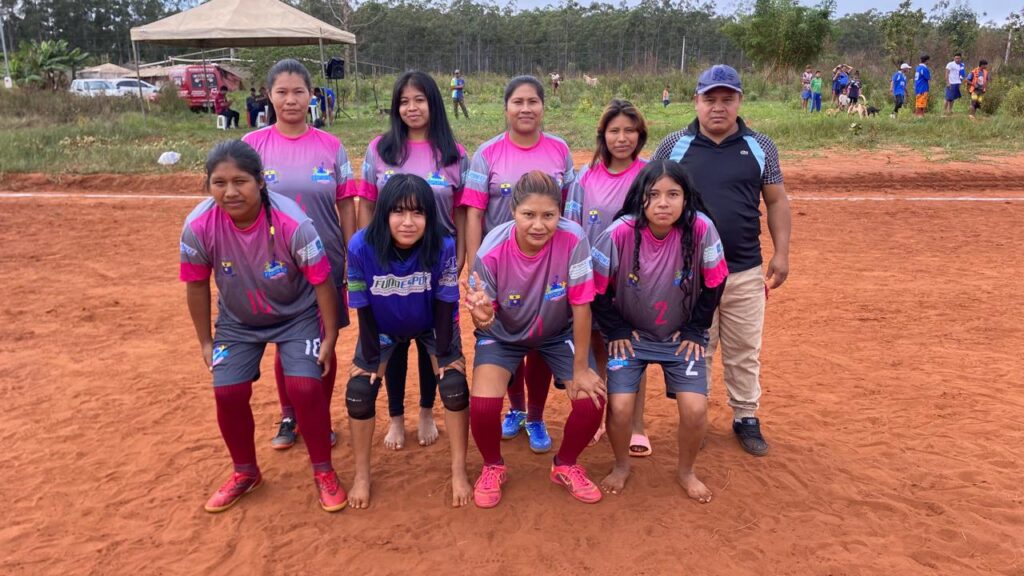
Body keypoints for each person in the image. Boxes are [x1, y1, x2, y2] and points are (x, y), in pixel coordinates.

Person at [181, 140, 347, 513]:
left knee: (304, 386)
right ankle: (245, 472)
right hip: (238, 322)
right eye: (219, 183)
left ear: (260, 182)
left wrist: (330, 335)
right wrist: (206, 340)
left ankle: (323, 471)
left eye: (240, 181)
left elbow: (322, 282)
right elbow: (195, 285)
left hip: (297, 316)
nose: (230, 192)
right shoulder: (197, 226)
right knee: (227, 392)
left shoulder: (293, 224)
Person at [651, 64, 791, 456]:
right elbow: (651, 201)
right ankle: (696, 418)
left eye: (727, 99)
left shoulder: (761, 146)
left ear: (739, 102)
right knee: (698, 346)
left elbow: (777, 200)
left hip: (745, 270)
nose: (718, 107)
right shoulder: (672, 146)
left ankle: (745, 416)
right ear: (695, 101)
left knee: (744, 348)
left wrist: (781, 253)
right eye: (709, 99)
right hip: (690, 274)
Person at [463, 171, 605, 508]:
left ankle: (566, 464)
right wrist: (482, 315)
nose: (538, 225)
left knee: (592, 400)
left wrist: (582, 367)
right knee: (483, 406)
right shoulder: (491, 249)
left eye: (548, 215)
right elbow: (483, 314)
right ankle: (493, 466)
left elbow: (582, 304)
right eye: (529, 215)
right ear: (513, 211)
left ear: (561, 212)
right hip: (503, 335)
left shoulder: (574, 238)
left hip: (557, 332)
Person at [592, 160, 728, 502]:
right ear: (640, 198)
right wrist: (616, 329)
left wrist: (696, 329)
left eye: (673, 194)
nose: (663, 203)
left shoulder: (701, 229)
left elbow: (715, 281)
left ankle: (686, 471)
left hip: (679, 336)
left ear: (686, 198)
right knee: (620, 406)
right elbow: (594, 288)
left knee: (696, 409)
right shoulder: (620, 232)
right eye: (653, 195)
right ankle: (622, 465)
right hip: (632, 337)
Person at [242, 59, 357, 451]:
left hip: (326, 262)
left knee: (323, 339)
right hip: (271, 262)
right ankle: (290, 414)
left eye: (298, 92)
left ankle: (318, 419)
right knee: (286, 339)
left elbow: (345, 205)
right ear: (269, 95)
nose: (290, 100)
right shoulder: (252, 147)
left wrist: (350, 251)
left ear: (312, 95)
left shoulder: (332, 146)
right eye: (281, 92)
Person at [460, 75, 576, 454]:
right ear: (506, 107)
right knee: (507, 336)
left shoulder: (560, 149)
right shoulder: (488, 153)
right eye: (518, 102)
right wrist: (475, 268)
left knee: (542, 340)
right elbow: (475, 213)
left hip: (549, 264)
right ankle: (517, 409)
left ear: (544, 106)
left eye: (533, 102)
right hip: (502, 266)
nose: (526, 109)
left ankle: (538, 416)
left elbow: (569, 209)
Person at [355, 70, 469, 450]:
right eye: (404, 101)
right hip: (387, 264)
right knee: (394, 343)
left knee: (431, 340)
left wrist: (462, 255)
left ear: (433, 103)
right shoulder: (380, 150)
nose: (411, 107)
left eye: (419, 99)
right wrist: (368, 256)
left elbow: (463, 211)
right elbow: (368, 206)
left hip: (437, 263)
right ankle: (396, 418)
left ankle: (424, 411)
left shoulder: (454, 153)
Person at [345, 174, 471, 508]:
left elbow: (446, 301)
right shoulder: (361, 246)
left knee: (455, 385)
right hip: (383, 324)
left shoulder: (442, 244)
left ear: (429, 217)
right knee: (359, 393)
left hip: (432, 322)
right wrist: (373, 359)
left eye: (418, 213)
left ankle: (458, 469)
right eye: (399, 212)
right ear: (384, 213)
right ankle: (364, 472)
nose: (408, 222)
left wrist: (444, 355)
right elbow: (362, 306)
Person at [565, 99, 649, 453]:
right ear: (603, 135)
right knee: (599, 348)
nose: (622, 137)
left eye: (630, 130)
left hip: (634, 279)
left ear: (640, 135)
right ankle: (604, 419)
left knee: (631, 351)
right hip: (592, 279)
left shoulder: (650, 174)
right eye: (614, 130)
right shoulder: (585, 176)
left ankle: (636, 425)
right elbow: (570, 226)